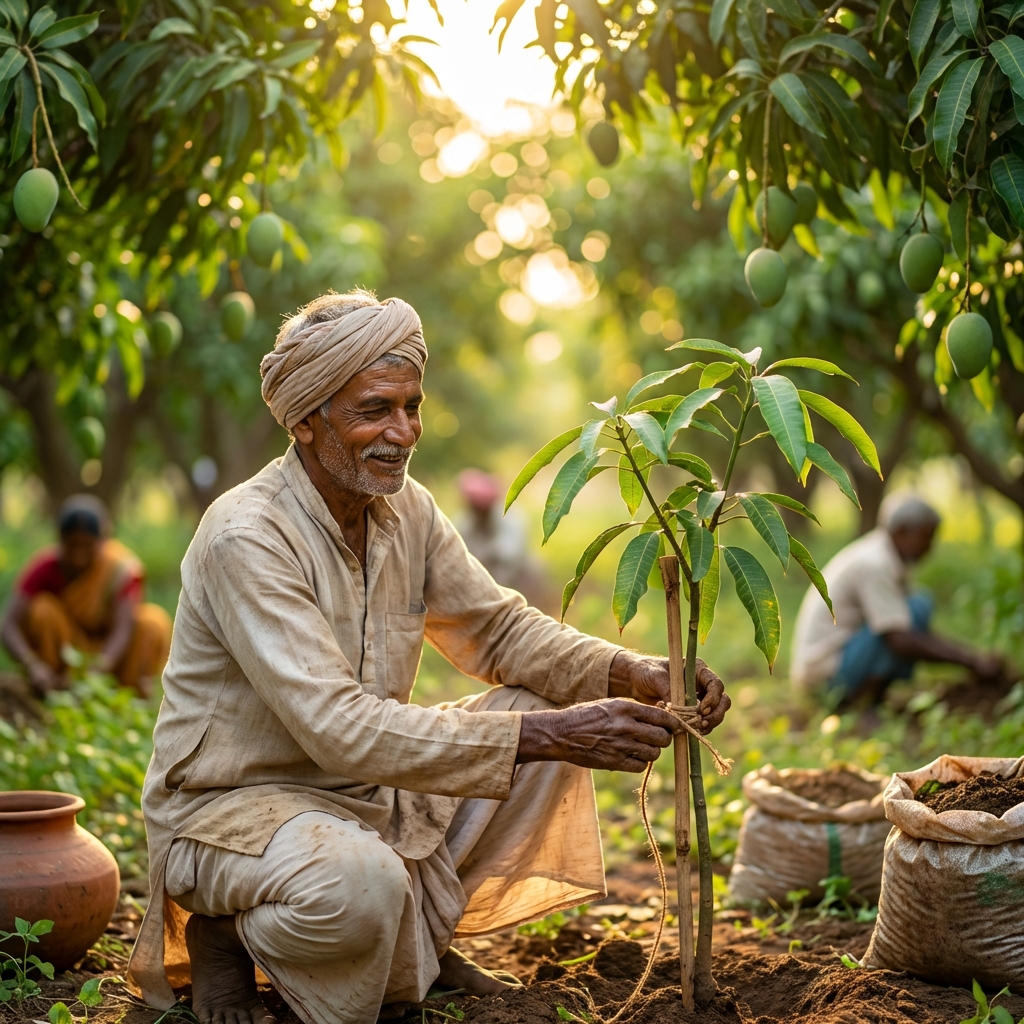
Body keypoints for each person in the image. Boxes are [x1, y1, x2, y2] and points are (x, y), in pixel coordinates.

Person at [126, 289, 730, 1024]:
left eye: (411, 406)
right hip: (231, 811)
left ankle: (417, 943)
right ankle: (232, 935)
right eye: (375, 410)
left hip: (367, 793)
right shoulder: (245, 535)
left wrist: (632, 671)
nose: (403, 432)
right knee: (365, 884)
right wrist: (556, 734)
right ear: (307, 420)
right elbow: (338, 727)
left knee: (539, 710)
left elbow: (498, 631)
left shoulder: (405, 508)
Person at [791, 492, 1003, 708]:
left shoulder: (886, 556)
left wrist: (971, 658)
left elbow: (914, 631)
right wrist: (971, 661)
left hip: (842, 658)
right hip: (826, 674)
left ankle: (870, 697)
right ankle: (861, 704)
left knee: (917, 607)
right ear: (902, 532)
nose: (930, 548)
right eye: (926, 538)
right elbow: (899, 638)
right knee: (906, 618)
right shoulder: (875, 565)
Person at [1, 495, 172, 697]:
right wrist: (32, 664)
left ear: (104, 539)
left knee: (152, 623)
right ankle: (51, 688)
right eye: (72, 545)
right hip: (66, 655)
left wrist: (94, 674)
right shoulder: (45, 567)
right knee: (43, 610)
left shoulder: (120, 570)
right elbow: (7, 624)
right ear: (60, 540)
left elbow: (123, 630)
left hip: (110, 659)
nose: (78, 556)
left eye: (87, 546)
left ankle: (128, 696)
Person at [454, 468, 553, 612]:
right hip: (483, 575)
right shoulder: (465, 522)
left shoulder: (511, 518)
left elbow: (509, 556)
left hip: (518, 574)